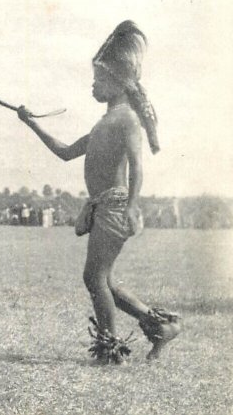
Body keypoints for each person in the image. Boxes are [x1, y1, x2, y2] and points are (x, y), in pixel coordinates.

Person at [16, 21, 180, 364]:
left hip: (116, 207)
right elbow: (63, 152)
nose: (93, 84)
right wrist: (31, 124)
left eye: (99, 79)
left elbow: (138, 166)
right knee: (102, 279)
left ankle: (109, 350)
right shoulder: (103, 123)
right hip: (105, 208)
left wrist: (133, 206)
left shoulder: (126, 121)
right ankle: (160, 328)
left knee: (94, 277)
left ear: (118, 83)